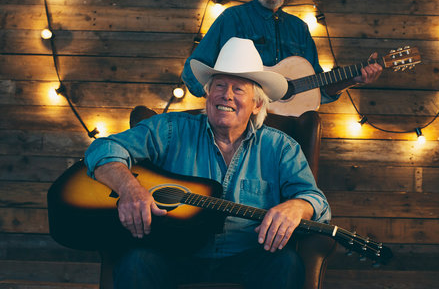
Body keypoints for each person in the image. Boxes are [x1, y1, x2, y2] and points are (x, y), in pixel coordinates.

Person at [84, 37, 331, 289]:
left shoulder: (281, 147)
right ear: (207, 94)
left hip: (250, 258)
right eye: (220, 85)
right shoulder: (170, 130)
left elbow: (316, 201)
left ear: (257, 104)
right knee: (136, 261)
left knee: (286, 263)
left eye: (238, 89)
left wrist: (298, 207)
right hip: (174, 253)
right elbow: (103, 148)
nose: (226, 95)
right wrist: (129, 188)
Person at [181, 0, 382, 105]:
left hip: (288, 123)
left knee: (311, 123)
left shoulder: (300, 29)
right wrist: (224, 100)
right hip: (242, 123)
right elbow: (191, 71)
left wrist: (353, 79)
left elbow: (317, 88)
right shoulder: (232, 18)